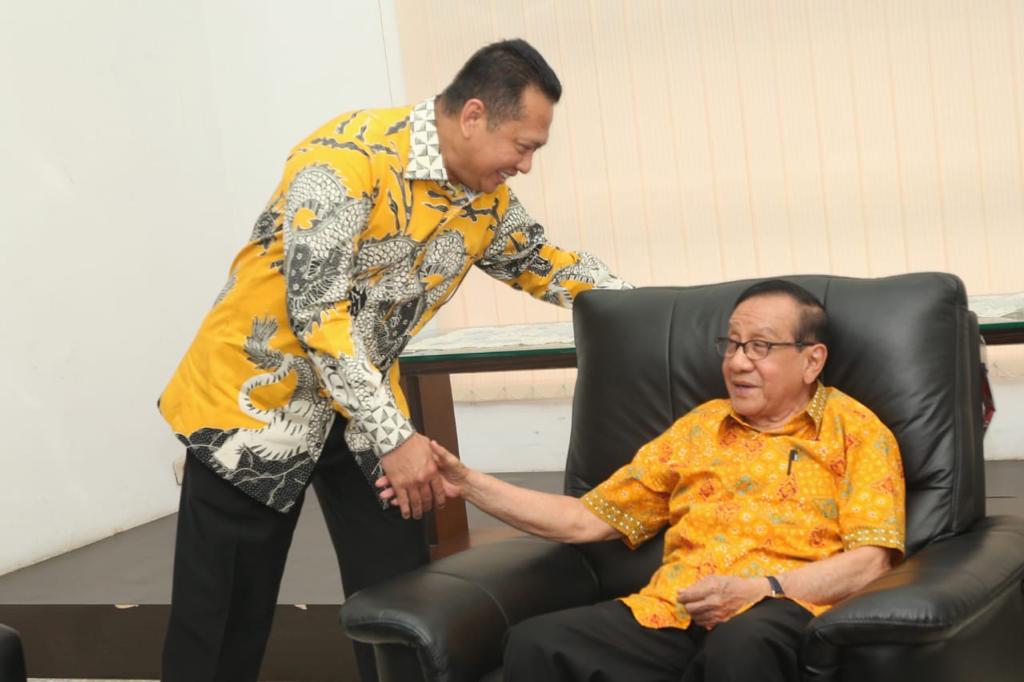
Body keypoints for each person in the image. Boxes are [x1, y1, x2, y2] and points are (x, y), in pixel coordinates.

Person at [157, 38, 630, 682]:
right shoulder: (343, 162)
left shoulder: (483, 197)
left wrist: (674, 312)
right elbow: (317, 317)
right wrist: (396, 438)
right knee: (221, 622)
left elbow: (545, 264)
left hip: (364, 412)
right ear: (473, 116)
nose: (525, 165)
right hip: (252, 407)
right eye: (523, 146)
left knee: (402, 603)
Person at [391, 280, 906, 681]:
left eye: (759, 347)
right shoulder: (699, 427)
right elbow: (585, 519)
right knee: (539, 643)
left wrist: (763, 589)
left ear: (812, 359)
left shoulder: (856, 432)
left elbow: (872, 560)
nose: (737, 362)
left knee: (742, 645)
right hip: (672, 614)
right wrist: (468, 482)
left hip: (777, 612)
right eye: (731, 344)